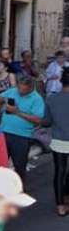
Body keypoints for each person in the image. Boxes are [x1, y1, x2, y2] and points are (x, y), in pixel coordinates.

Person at [0, 76, 45, 180]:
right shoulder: (13, 91)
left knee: (19, 166)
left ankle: (18, 190)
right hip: (3, 132)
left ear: (31, 88)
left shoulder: (37, 99)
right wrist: (2, 103)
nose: (20, 92)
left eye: (24, 90)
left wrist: (17, 112)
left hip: (22, 136)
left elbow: (38, 120)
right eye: (19, 88)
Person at [42, 70, 69, 215]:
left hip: (58, 140)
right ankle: (66, 195)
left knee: (60, 171)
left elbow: (46, 122)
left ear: (61, 82)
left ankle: (60, 206)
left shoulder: (52, 99)